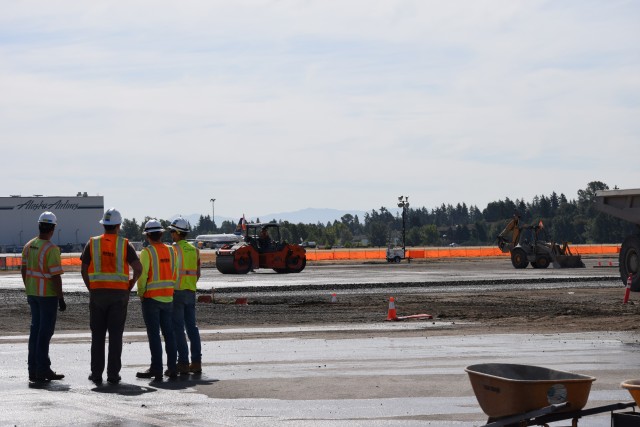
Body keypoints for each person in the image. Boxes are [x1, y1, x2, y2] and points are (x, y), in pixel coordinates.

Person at [81, 208, 142, 385]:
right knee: (115, 337)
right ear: (118, 226)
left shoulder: (92, 243)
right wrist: (131, 283)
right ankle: (113, 374)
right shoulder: (125, 244)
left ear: (104, 225)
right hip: (118, 296)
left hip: (97, 295)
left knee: (98, 337)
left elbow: (84, 269)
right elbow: (138, 268)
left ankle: (96, 374)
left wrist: (90, 288)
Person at [21, 211, 66, 383]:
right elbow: (55, 276)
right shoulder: (51, 249)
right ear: (53, 228)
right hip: (47, 296)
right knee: (44, 333)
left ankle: (33, 370)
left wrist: (29, 288)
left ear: (40, 226)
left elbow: (24, 270)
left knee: (35, 332)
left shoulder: (28, 245)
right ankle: (43, 369)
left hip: (33, 294)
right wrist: (61, 298)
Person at [136, 219, 177, 381]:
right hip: (168, 297)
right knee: (169, 334)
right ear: (160, 234)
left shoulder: (147, 252)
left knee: (154, 335)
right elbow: (173, 272)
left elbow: (142, 274)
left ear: (147, 236)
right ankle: (172, 368)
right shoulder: (171, 250)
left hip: (151, 298)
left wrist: (141, 292)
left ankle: (157, 368)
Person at [168, 217, 202, 374]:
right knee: (192, 328)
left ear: (177, 233)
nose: (170, 234)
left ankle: (182, 363)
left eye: (171, 231)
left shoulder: (174, 249)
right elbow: (198, 272)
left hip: (177, 292)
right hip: (191, 291)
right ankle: (196, 363)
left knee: (178, 328)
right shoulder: (194, 249)